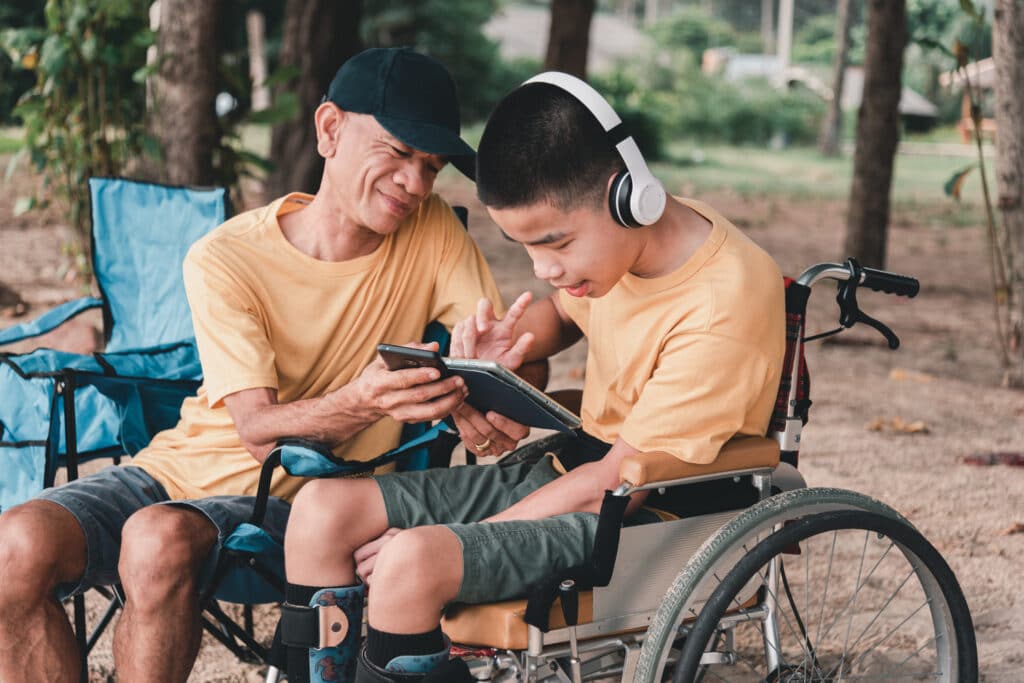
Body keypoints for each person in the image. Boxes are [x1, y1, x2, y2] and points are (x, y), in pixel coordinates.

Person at [0, 47, 504, 683]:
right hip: (176, 469)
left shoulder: (431, 232)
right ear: (329, 129)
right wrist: (370, 399)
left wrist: (498, 367)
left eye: (431, 167)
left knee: (155, 541)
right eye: (398, 153)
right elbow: (256, 427)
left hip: (305, 502)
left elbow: (498, 352)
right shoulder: (228, 254)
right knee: (14, 543)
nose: (416, 182)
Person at [282, 72, 787, 683]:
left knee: (411, 562)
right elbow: (561, 315)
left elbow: (613, 481)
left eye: (557, 243)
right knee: (320, 511)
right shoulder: (627, 247)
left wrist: (454, 537)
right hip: (574, 476)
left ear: (630, 195)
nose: (545, 268)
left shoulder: (720, 300)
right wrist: (508, 353)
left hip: (648, 516)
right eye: (525, 247)